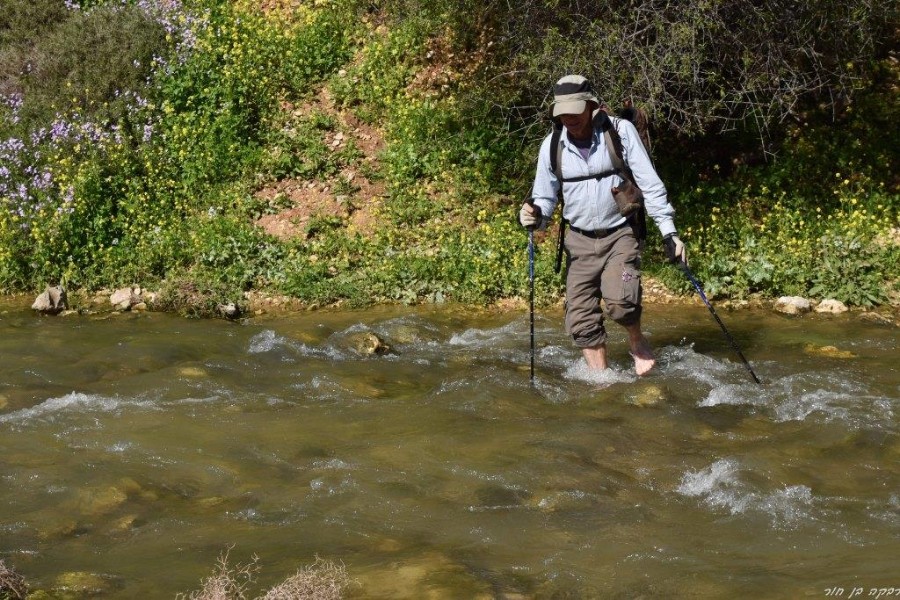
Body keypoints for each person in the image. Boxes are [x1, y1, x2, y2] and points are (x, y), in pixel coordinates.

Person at [519, 75, 687, 376]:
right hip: (579, 241)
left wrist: (669, 232)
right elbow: (544, 198)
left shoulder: (620, 132)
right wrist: (532, 216)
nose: (568, 118)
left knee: (621, 302)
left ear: (592, 106)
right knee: (581, 320)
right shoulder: (553, 144)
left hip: (621, 233)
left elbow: (650, 183)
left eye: (574, 110)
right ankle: (602, 382)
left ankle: (636, 340)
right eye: (562, 113)